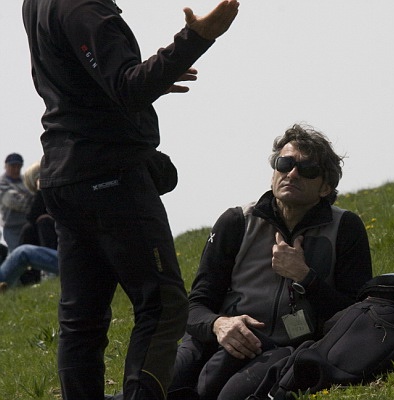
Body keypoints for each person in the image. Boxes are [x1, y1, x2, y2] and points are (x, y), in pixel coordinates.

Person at [22, 1, 240, 399]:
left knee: (81, 321)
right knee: (163, 305)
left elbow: (93, 81)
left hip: (66, 177)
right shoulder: (82, 6)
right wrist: (196, 39)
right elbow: (128, 87)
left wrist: (151, 75)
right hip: (109, 176)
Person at [168, 124, 373, 400]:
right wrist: (219, 325)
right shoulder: (236, 222)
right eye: (285, 164)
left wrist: (304, 277)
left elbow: (357, 318)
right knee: (151, 389)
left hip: (283, 350)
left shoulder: (345, 228)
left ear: (325, 187)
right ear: (274, 172)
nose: (292, 174)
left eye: (307, 169)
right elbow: (195, 306)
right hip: (216, 339)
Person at [0, 153, 33, 252]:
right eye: (13, 166)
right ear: (6, 166)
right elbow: (14, 201)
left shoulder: (26, 180)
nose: (16, 169)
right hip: (11, 228)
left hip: (28, 226)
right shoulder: (2, 183)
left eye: (18, 166)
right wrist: (32, 200)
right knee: (17, 253)